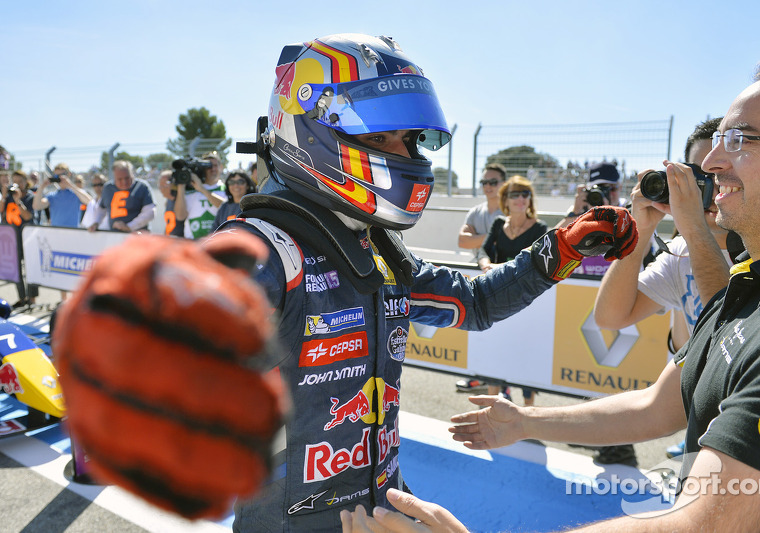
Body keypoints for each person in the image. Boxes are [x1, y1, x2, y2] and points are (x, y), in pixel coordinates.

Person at [57, 33, 636, 532]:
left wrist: (557, 250)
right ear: (314, 128)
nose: (404, 153)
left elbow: (478, 302)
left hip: (385, 507)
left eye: (410, 139)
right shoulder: (267, 248)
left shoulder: (376, 249)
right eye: (382, 137)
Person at [345, 47, 760, 533]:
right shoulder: (750, 286)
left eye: (742, 139)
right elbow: (657, 406)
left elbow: (704, 524)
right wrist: (524, 423)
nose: (711, 162)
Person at [594, 117, 734, 460]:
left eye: (721, 175)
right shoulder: (681, 254)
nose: (712, 189)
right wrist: (640, 229)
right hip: (702, 427)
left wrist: (693, 226)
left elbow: (731, 333)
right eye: (699, 178)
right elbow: (611, 316)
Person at [477, 175, 547, 405]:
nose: (520, 199)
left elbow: (531, 263)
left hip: (528, 302)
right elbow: (483, 251)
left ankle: (528, 413)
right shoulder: (498, 224)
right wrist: (485, 264)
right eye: (514, 194)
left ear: (530, 199)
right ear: (505, 199)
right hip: (498, 297)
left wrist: (494, 267)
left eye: (525, 194)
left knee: (526, 357)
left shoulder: (539, 228)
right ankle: (491, 409)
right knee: (495, 354)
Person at [453, 162, 507, 394]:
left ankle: (501, 385)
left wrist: (479, 238)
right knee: (479, 332)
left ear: (503, 184)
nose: (488, 186)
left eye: (493, 182)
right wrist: (495, 236)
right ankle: (482, 379)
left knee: (503, 336)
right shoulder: (476, 211)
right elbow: (462, 241)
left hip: (505, 278)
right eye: (484, 182)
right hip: (478, 279)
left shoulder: (512, 210)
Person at [86, 160, 156, 233]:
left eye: (127, 178)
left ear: (132, 174)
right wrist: (96, 222)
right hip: (115, 235)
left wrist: (129, 226)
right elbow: (101, 209)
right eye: (120, 179)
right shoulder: (108, 188)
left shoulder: (141, 187)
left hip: (138, 236)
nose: (124, 182)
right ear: (114, 177)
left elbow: (150, 212)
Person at [2, 170, 39, 307]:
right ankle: (22, 298)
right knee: (16, 269)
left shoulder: (30, 197)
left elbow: (28, 216)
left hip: (27, 238)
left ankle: (32, 299)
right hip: (12, 238)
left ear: (25, 182)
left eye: (20, 181)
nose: (17, 184)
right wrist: (5, 196)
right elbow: (1, 212)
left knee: (31, 268)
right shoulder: (9, 197)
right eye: (15, 181)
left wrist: (18, 200)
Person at [174, 151, 225, 239]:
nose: (212, 169)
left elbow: (227, 208)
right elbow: (180, 216)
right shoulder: (191, 190)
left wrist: (202, 189)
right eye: (208, 166)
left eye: (215, 165)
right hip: (193, 243)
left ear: (221, 167)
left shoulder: (228, 188)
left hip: (218, 242)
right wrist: (181, 186)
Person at [32, 162, 93, 227]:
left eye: (63, 175)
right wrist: (42, 187)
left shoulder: (76, 194)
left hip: (73, 233)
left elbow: (90, 201)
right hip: (57, 233)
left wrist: (70, 185)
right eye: (57, 176)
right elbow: (36, 206)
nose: (60, 178)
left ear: (69, 174)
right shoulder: (52, 196)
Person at [156, 169, 184, 236]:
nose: (160, 188)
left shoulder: (181, 201)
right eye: (160, 185)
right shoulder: (168, 201)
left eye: (163, 185)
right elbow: (168, 224)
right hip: (170, 239)